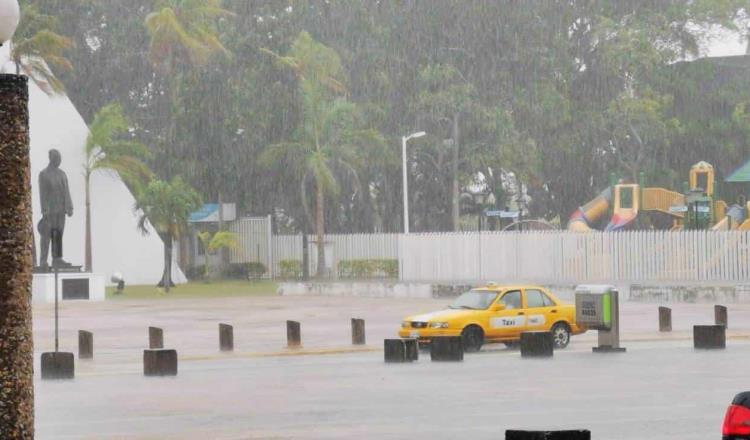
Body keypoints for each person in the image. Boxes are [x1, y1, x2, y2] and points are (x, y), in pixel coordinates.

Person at [38, 149, 73, 268]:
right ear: (52, 159)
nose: (59, 161)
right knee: (46, 235)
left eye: (60, 159)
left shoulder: (62, 174)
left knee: (58, 234)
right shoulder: (44, 174)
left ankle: (57, 259)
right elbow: (42, 193)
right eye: (57, 159)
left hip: (61, 209)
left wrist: (69, 207)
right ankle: (43, 260)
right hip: (50, 210)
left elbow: (66, 191)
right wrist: (44, 210)